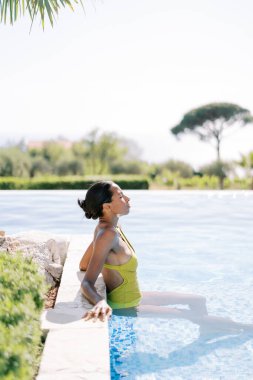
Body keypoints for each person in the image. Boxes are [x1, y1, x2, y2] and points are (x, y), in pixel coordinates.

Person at [78, 181, 253, 334]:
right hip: (127, 306)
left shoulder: (109, 229)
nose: (128, 199)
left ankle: (207, 328)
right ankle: (243, 328)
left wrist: (106, 267)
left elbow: (84, 264)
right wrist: (100, 302)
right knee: (191, 315)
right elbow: (87, 281)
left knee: (198, 300)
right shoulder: (106, 235)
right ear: (107, 206)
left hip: (134, 296)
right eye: (121, 196)